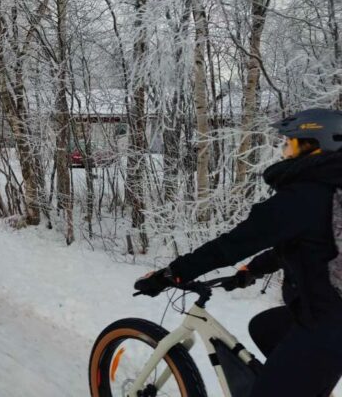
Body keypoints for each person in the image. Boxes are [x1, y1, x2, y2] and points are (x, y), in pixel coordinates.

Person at [135, 108, 342, 396]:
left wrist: (172, 274)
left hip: (327, 324)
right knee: (265, 328)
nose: (283, 147)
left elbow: (232, 245)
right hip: (321, 310)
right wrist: (253, 270)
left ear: (313, 143)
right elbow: (310, 247)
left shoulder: (304, 196)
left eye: (290, 141)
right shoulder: (330, 188)